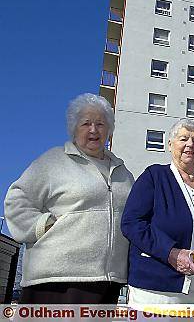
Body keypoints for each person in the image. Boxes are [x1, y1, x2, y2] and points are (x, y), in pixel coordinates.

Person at [4, 93, 134, 304]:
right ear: (74, 129)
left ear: (109, 130)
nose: (94, 130)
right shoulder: (54, 160)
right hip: (55, 279)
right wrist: (41, 225)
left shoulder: (123, 172)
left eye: (101, 124)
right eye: (86, 123)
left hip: (107, 282)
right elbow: (17, 199)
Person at [121, 119, 194, 307]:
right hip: (155, 292)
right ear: (170, 145)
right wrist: (171, 253)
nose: (190, 144)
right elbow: (132, 223)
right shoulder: (154, 177)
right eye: (183, 139)